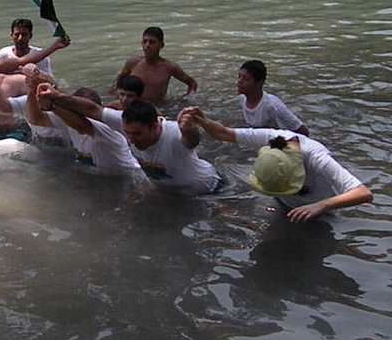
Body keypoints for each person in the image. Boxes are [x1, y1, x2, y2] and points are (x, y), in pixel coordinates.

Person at [186, 107, 372, 223]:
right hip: (283, 204)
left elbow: (363, 193)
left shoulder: (318, 158)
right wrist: (203, 121)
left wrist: (321, 206)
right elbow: (225, 134)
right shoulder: (274, 138)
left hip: (320, 212)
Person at [115, 99, 220, 195]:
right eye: (127, 132)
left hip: (207, 189)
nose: (131, 140)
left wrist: (188, 129)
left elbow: (192, 142)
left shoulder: (174, 132)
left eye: (137, 134)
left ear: (155, 127)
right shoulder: (127, 129)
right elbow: (98, 111)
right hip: (171, 193)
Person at [33, 84, 140, 174]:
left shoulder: (106, 130)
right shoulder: (69, 121)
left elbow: (82, 126)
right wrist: (32, 90)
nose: (82, 119)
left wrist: (52, 105)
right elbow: (36, 118)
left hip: (130, 176)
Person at [109, 26, 197, 103]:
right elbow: (120, 79)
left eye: (152, 42)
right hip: (135, 105)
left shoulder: (169, 67)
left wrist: (183, 100)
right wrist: (116, 94)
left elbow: (192, 83)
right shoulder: (133, 62)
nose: (147, 45)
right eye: (144, 41)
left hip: (159, 106)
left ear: (161, 45)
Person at [237, 59, 309, 135]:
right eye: (239, 77)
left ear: (259, 83)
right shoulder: (242, 99)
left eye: (246, 79)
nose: (239, 81)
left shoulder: (272, 106)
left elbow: (303, 131)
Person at [0, 18, 70, 76]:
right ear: (11, 35)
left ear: (30, 36)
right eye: (17, 34)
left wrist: (36, 74)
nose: (20, 38)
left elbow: (50, 81)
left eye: (24, 35)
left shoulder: (42, 56)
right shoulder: (2, 54)